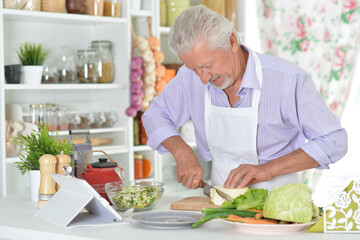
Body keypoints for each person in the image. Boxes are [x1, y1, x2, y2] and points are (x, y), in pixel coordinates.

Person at [142, 5, 348, 191]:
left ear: (232, 41)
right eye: (194, 69)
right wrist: (181, 151)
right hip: (221, 201)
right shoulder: (190, 77)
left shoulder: (287, 79)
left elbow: (334, 140)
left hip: (279, 202)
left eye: (207, 66)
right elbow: (155, 115)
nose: (203, 78)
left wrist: (267, 169)